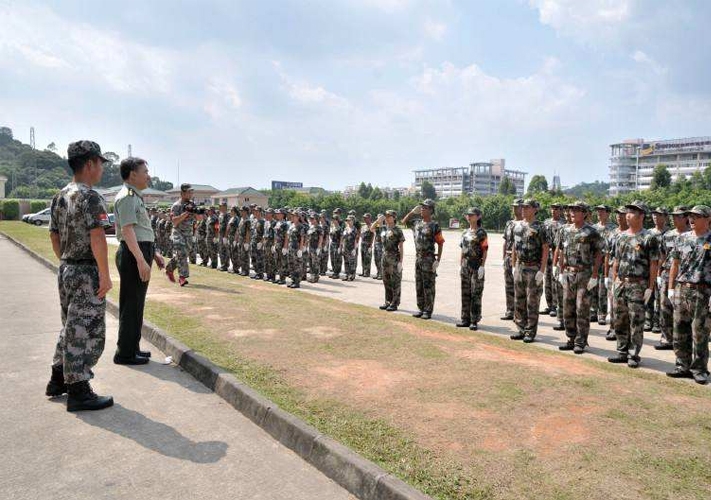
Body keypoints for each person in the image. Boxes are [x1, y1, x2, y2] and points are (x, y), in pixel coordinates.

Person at [45, 140, 114, 412]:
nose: (101, 170)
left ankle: (57, 378)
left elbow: (53, 235)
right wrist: (105, 276)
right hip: (86, 270)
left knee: (70, 328)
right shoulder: (91, 196)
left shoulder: (59, 196)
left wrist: (65, 262)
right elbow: (98, 237)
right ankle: (79, 390)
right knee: (85, 333)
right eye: (99, 164)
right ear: (89, 164)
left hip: (67, 268)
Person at [112, 157, 166, 365]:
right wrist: (141, 260)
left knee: (136, 304)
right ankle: (124, 353)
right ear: (133, 174)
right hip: (134, 254)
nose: (148, 175)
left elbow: (141, 230)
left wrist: (153, 254)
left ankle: (132, 347)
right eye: (145, 171)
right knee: (131, 304)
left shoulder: (135, 196)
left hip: (140, 251)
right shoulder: (126, 196)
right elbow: (127, 231)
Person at [608, 201, 659, 368]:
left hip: (638, 284)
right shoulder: (621, 236)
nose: (627, 215)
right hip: (621, 282)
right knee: (619, 319)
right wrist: (614, 280)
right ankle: (622, 351)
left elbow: (653, 263)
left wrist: (650, 287)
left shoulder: (648, 237)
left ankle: (633, 354)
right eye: (627, 212)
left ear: (641, 216)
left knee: (636, 321)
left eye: (632, 212)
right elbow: (616, 260)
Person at [667, 205, 711, 384]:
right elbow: (674, 265)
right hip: (681, 289)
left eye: (697, 216)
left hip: (702, 291)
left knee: (699, 332)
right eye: (691, 216)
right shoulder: (682, 239)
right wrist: (670, 288)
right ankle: (682, 365)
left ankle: (699, 368)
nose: (692, 219)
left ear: (708, 219)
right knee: (679, 330)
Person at [557, 201, 602, 354]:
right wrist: (560, 270)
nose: (572, 212)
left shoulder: (592, 232)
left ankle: (581, 341)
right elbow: (562, 250)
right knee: (567, 307)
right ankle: (571, 338)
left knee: (581, 308)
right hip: (569, 273)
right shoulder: (565, 230)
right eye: (571, 210)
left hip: (584, 274)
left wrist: (595, 275)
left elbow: (598, 254)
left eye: (576, 210)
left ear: (584, 213)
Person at [511, 199, 548, 342]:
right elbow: (514, 246)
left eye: (527, 207)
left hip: (533, 268)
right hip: (520, 266)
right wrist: (514, 266)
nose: (523, 209)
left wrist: (542, 270)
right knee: (519, 300)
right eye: (523, 207)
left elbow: (545, 249)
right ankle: (520, 329)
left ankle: (530, 332)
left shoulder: (540, 227)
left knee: (532, 302)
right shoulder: (518, 226)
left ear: (534, 209)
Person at [402, 198, 444, 320]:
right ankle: (421, 308)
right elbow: (404, 221)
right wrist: (411, 212)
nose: (422, 209)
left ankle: (428, 310)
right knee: (419, 284)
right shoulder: (416, 223)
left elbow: (440, 243)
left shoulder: (434, 225)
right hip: (418, 258)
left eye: (424, 207)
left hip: (429, 259)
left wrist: (438, 260)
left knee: (428, 286)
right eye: (421, 207)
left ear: (431, 210)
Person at [655, 206, 690, 350]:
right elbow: (662, 256)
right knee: (665, 307)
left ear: (686, 218)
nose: (675, 219)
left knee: (682, 310)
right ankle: (666, 338)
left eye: (679, 216)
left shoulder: (691, 235)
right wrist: (658, 273)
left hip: (683, 275)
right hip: (667, 274)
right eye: (674, 216)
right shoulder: (668, 235)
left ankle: (681, 340)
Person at [457, 207, 488, 331]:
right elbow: (462, 250)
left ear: (478, 216)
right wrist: (460, 265)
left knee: (475, 294)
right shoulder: (465, 232)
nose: (469, 217)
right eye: (468, 215)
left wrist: (482, 266)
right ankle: (465, 319)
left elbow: (485, 250)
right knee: (465, 293)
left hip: (476, 265)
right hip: (465, 265)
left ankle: (474, 320)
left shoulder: (481, 233)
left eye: (472, 215)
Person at [603, 206, 629, 341]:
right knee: (613, 301)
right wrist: (606, 275)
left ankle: (624, 329)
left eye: (622, 214)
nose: (619, 217)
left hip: (629, 271)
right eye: (618, 214)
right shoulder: (612, 233)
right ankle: (613, 327)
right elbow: (607, 254)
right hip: (614, 270)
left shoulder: (631, 233)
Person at [165, 183, 195, 286]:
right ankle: (182, 277)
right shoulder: (176, 206)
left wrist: (196, 212)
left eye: (191, 192)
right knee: (182, 253)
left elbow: (200, 218)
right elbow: (174, 221)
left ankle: (169, 268)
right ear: (182, 193)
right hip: (178, 233)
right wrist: (186, 213)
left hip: (188, 234)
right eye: (189, 192)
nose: (191, 194)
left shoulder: (192, 204)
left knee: (182, 255)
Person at [591, 205, 617, 325]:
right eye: (598, 211)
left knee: (603, 289)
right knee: (592, 287)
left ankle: (602, 313)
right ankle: (592, 311)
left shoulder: (613, 228)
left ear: (608, 213)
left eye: (602, 211)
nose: (599, 213)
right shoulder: (593, 228)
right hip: (594, 261)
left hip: (607, 262)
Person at [376, 210, 404, 311]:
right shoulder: (383, 228)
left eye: (389, 216)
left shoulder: (398, 230)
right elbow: (371, 229)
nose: (387, 218)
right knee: (386, 280)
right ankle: (388, 301)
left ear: (394, 217)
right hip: (384, 257)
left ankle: (395, 303)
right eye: (386, 216)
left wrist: (401, 261)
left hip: (394, 258)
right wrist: (378, 221)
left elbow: (401, 247)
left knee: (395, 281)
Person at [501, 199, 523, 320]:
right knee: (508, 285)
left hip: (519, 258)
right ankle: (510, 310)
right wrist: (503, 257)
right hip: (508, 257)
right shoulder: (509, 223)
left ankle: (518, 313)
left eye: (518, 207)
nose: (515, 209)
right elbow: (505, 241)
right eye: (514, 206)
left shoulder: (524, 224)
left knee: (518, 287)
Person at [542, 203, 564, 316]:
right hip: (547, 254)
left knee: (555, 281)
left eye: (556, 209)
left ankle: (555, 306)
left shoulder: (563, 224)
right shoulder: (546, 222)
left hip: (556, 254)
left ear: (560, 211)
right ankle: (549, 304)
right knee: (547, 280)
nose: (553, 211)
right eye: (552, 209)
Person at [287, 210, 305, 288]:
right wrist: (286, 246)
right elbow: (288, 237)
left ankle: (297, 282)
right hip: (291, 247)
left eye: (294, 216)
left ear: (298, 217)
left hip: (297, 248)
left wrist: (300, 249)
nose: (293, 217)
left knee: (297, 265)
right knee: (291, 265)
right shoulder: (291, 225)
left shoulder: (301, 226)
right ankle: (293, 280)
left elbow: (302, 238)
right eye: (292, 216)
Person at [306, 212, 323, 283]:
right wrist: (306, 246)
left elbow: (321, 238)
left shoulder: (319, 228)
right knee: (310, 262)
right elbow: (308, 237)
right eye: (310, 219)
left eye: (312, 219)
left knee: (315, 263)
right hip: (310, 247)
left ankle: (315, 277)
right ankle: (312, 276)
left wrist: (319, 248)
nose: (311, 220)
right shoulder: (311, 227)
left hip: (316, 247)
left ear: (316, 219)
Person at [340, 215, 358, 281]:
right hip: (346, 247)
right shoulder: (345, 228)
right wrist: (342, 246)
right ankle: (347, 275)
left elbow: (356, 239)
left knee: (352, 262)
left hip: (351, 248)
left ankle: (352, 275)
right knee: (346, 262)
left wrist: (355, 248)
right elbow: (343, 238)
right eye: (347, 220)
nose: (347, 222)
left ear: (353, 221)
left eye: (349, 220)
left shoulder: (354, 229)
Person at [250, 206, 266, 279]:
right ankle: (257, 272)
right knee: (253, 258)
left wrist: (261, 243)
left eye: (257, 211)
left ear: (260, 212)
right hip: (253, 241)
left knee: (259, 258)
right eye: (254, 211)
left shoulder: (263, 222)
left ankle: (260, 273)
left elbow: (264, 234)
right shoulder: (254, 221)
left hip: (259, 242)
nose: (255, 212)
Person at [237, 205, 251, 276]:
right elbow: (238, 230)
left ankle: (246, 270)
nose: (241, 212)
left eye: (242, 211)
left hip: (245, 240)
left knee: (245, 256)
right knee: (241, 255)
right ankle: (243, 269)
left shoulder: (247, 220)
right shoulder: (241, 219)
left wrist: (247, 242)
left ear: (246, 212)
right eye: (241, 211)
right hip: (240, 240)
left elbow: (248, 232)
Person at [329, 209, 343, 279]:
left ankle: (337, 273)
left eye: (334, 219)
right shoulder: (333, 227)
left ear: (337, 220)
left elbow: (341, 238)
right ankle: (334, 271)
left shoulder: (340, 228)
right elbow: (331, 235)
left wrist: (340, 247)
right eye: (332, 219)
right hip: (332, 243)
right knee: (332, 258)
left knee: (337, 259)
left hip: (337, 244)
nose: (333, 221)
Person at [359, 213, 374, 277]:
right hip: (363, 244)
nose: (364, 219)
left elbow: (373, 235)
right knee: (363, 258)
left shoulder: (372, 226)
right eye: (364, 218)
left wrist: (370, 245)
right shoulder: (363, 226)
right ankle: (363, 271)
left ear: (369, 218)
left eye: (366, 218)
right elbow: (361, 235)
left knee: (367, 259)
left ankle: (367, 273)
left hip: (368, 244)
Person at [217, 202, 230, 271]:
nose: (220, 208)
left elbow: (228, 226)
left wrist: (225, 236)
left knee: (225, 251)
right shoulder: (220, 215)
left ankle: (225, 265)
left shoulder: (227, 215)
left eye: (221, 206)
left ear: (225, 207)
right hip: (220, 235)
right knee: (221, 250)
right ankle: (222, 264)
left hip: (225, 235)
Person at [372, 212, 385, 280]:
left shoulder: (385, 227)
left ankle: (381, 274)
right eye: (378, 218)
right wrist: (377, 221)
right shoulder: (376, 227)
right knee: (376, 260)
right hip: (376, 244)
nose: (379, 219)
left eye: (380, 218)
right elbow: (371, 228)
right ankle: (378, 272)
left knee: (381, 260)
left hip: (382, 245)